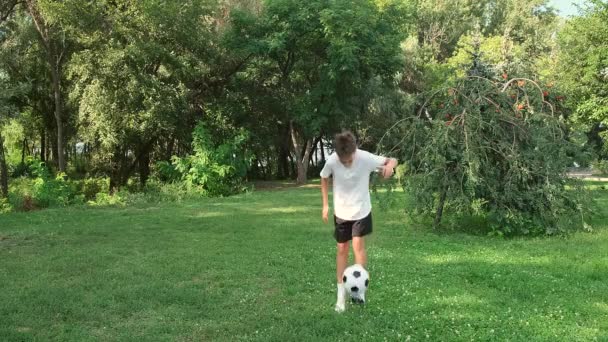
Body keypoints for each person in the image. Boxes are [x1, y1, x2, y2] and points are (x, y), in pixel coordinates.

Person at [320, 131, 398, 312]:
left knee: (358, 246)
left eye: (349, 160)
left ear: (355, 151)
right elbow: (324, 178)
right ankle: (341, 296)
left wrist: (390, 167)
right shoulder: (332, 160)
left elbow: (391, 160)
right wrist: (325, 205)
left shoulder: (365, 158)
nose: (347, 163)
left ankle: (358, 291)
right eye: (343, 161)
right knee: (342, 249)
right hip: (341, 211)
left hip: (361, 210)